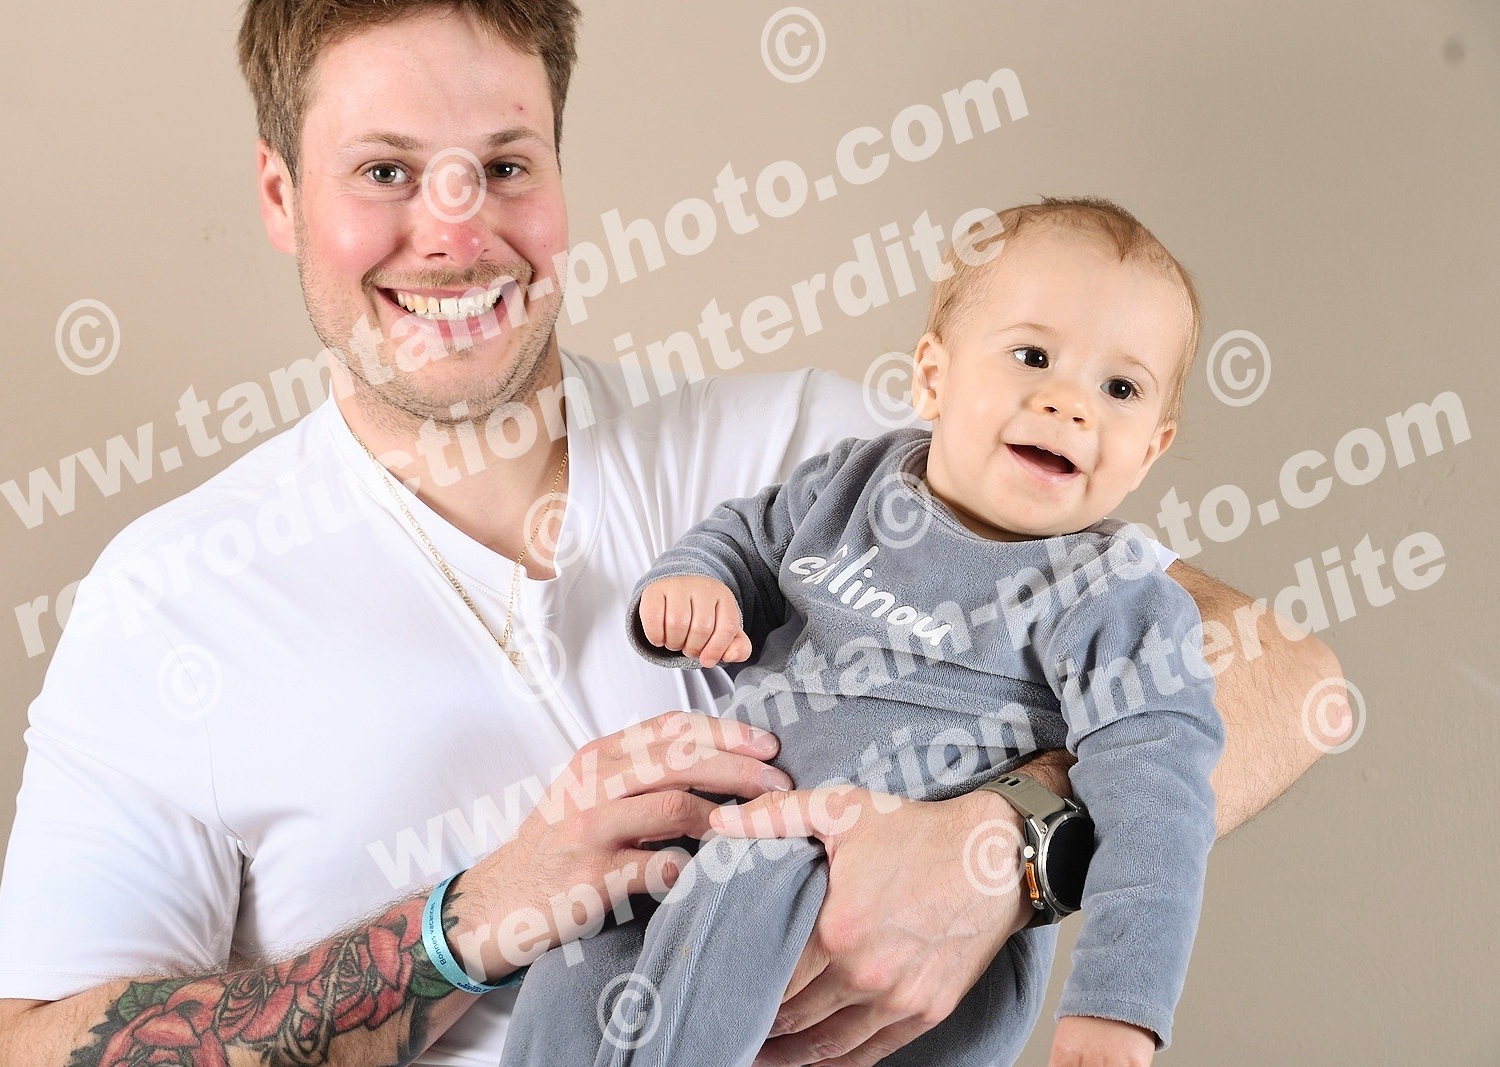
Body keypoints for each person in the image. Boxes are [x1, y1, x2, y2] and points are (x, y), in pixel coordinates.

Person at [0, 4, 1346, 1066]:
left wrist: (1004, 847)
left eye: (504, 165)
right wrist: (465, 923)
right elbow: (41, 1045)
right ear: (282, 193)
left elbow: (1281, 675)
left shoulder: (816, 460)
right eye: (385, 170)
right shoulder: (168, 598)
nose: (454, 232)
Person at [502, 198, 1222, 1067]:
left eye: (1120, 389)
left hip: (901, 934)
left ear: (1151, 449)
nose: (1072, 404)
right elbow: (748, 535)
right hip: (717, 856)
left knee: (753, 873)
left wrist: (1118, 1005)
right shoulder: (853, 485)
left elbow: (1161, 801)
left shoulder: (1113, 597)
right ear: (933, 377)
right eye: (1034, 356)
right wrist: (698, 583)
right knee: (584, 945)